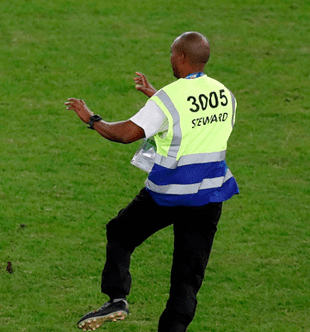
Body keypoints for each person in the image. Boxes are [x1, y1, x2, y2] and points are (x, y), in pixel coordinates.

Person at [66, 32, 239, 332]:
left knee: (120, 232)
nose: (170, 57)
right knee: (187, 279)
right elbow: (194, 118)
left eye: (172, 52)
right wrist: (154, 97)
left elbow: (124, 134)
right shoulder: (225, 94)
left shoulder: (168, 99)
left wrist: (92, 119)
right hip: (209, 197)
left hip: (167, 195)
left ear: (183, 58)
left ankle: (117, 298)